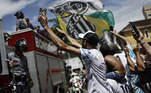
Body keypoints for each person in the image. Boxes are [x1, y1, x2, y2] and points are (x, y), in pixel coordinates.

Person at [38, 15, 114, 93]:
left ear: (85, 42)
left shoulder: (91, 54)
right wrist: (65, 34)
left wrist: (46, 27)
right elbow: (73, 42)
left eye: (82, 40)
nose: (81, 42)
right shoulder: (95, 52)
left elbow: (62, 46)